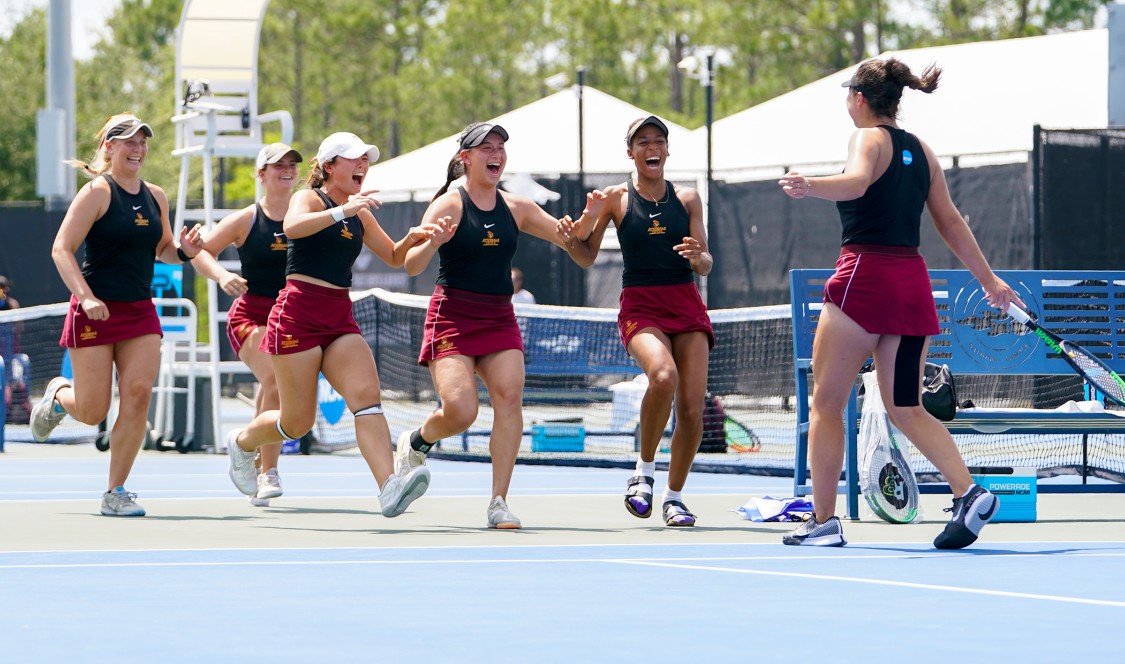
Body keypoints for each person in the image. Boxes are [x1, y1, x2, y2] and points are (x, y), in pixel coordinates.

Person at [777, 58, 1021, 549]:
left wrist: (811, 186)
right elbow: (950, 222)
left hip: (864, 277)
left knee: (826, 402)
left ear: (860, 99)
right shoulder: (923, 151)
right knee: (906, 406)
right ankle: (968, 491)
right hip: (911, 283)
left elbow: (859, 181)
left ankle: (823, 522)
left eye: (848, 95)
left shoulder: (866, 138)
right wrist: (989, 280)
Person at [224, 132, 441, 518]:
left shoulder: (360, 211)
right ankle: (242, 442)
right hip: (298, 313)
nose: (363, 165)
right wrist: (345, 210)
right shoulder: (310, 199)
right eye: (353, 158)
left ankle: (389, 488)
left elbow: (392, 256)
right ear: (328, 167)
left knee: (367, 398)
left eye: (366, 159)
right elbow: (293, 227)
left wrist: (413, 238)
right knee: (296, 422)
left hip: (339, 315)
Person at [397, 122, 603, 529]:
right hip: (453, 315)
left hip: (498, 316)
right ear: (465, 159)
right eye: (486, 147)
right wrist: (434, 241)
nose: (496, 153)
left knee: (510, 399)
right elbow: (411, 264)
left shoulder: (518, 208)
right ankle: (417, 441)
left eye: (501, 147)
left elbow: (574, 242)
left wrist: (590, 219)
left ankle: (498, 502)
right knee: (461, 411)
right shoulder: (448, 205)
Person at [31, 113, 204, 516]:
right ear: (109, 147)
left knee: (139, 394)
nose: (137, 148)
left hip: (139, 312)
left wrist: (186, 252)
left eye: (142, 141)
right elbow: (62, 249)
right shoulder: (96, 192)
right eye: (128, 141)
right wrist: (86, 297)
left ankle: (116, 491)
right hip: (95, 309)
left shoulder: (156, 195)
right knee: (93, 411)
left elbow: (164, 250)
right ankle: (59, 397)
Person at [574, 116, 714, 527]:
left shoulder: (688, 199)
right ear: (631, 152)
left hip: (686, 304)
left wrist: (697, 257)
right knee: (663, 376)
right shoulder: (615, 199)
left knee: (692, 410)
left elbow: (705, 262)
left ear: (667, 151)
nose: (651, 148)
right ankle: (644, 472)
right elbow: (585, 256)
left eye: (658, 141)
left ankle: (674, 498)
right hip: (641, 306)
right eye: (642, 142)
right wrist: (573, 233)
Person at [190, 142, 303, 507]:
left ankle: (248, 450)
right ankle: (268, 473)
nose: (287, 170)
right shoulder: (247, 218)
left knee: (274, 386)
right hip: (251, 317)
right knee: (275, 379)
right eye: (277, 165)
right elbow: (199, 251)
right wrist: (223, 276)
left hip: (293, 320)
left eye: (292, 164)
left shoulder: (310, 213)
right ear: (261, 175)